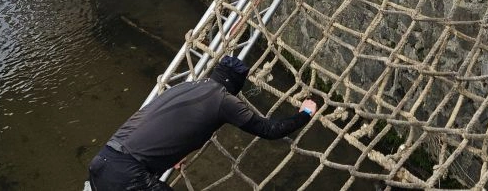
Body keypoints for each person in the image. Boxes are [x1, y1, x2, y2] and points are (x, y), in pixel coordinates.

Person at [87, 56, 317, 191]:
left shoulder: (188, 85)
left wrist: (165, 156)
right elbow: (270, 130)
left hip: (103, 160)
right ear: (236, 84)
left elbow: (164, 122)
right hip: (128, 174)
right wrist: (305, 114)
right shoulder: (224, 99)